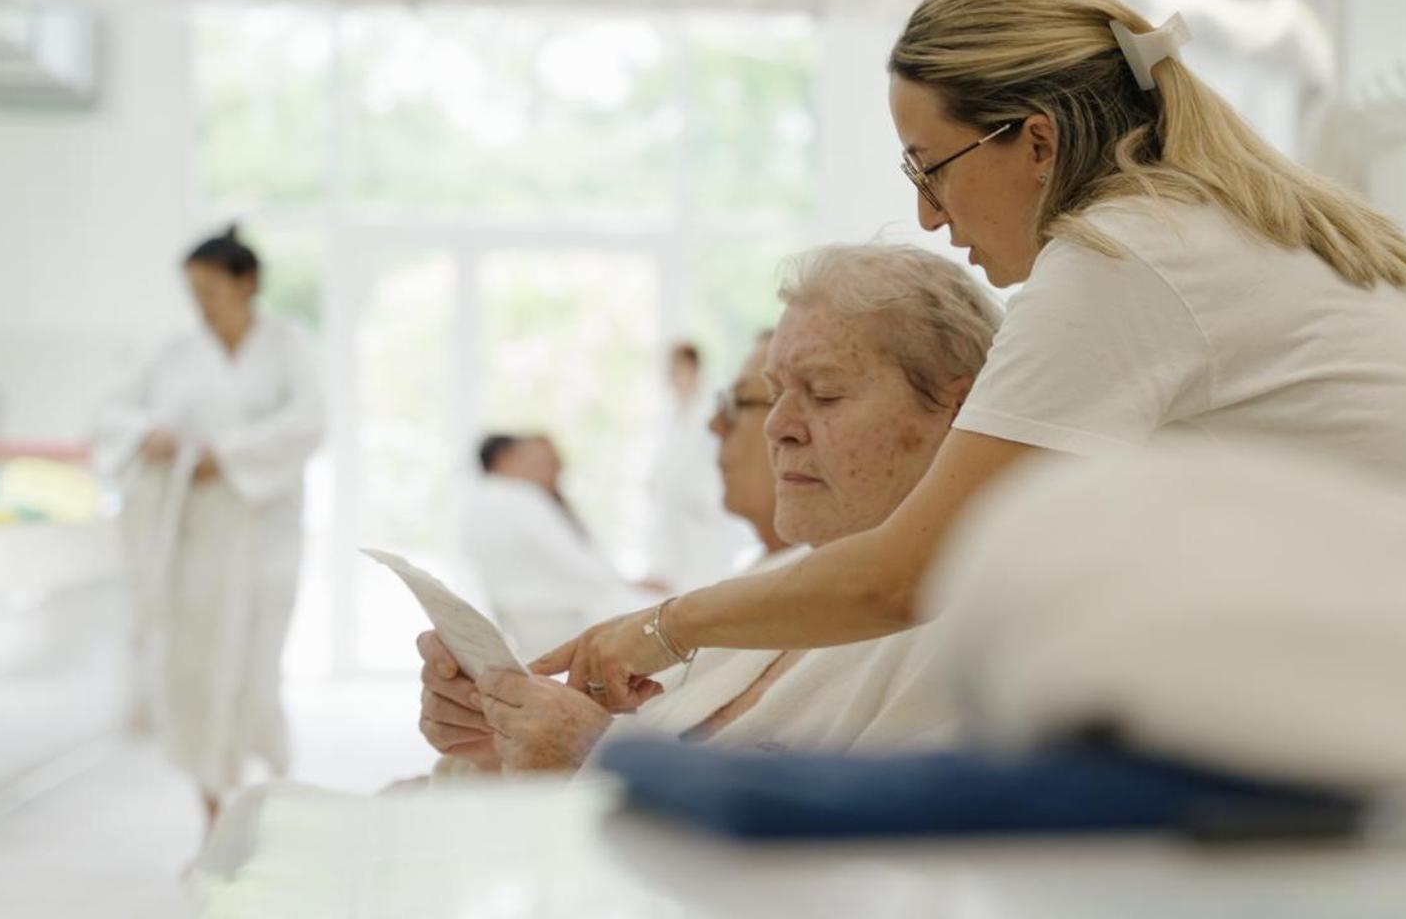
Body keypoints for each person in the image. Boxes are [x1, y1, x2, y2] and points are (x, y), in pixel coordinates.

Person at [536, 0, 1406, 708]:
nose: (931, 216)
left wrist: (668, 627)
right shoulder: (1216, 228)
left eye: (926, 167)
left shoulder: (1125, 260)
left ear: (1033, 140)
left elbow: (901, 576)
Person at [414, 245, 998, 770]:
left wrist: (591, 753)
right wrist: (502, 731)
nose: (778, 427)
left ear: (959, 409)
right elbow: (637, 736)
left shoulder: (977, 631)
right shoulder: (770, 583)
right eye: (772, 396)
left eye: (823, 393)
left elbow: (863, 849)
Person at [90, 226, 323, 829]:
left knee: (255, 667)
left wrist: (227, 455)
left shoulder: (287, 344)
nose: (201, 304)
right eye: (192, 292)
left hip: (264, 532)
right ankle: (213, 812)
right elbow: (112, 416)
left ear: (247, 284)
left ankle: (256, 798)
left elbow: (309, 422)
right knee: (195, 669)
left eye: (211, 290)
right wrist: (150, 435)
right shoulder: (174, 352)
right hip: (196, 541)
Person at [463, 432, 656, 652]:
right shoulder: (524, 498)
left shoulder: (479, 501)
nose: (557, 470)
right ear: (505, 459)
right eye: (544, 462)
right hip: (563, 616)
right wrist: (630, 583)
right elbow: (577, 563)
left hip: (523, 620)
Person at [645, 340, 755, 592]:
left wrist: (697, 497)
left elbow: (716, 461)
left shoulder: (710, 411)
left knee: (704, 583)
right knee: (675, 584)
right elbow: (667, 463)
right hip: (676, 517)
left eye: (677, 371)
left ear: (692, 369)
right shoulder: (671, 414)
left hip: (704, 515)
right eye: (669, 372)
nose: (672, 379)